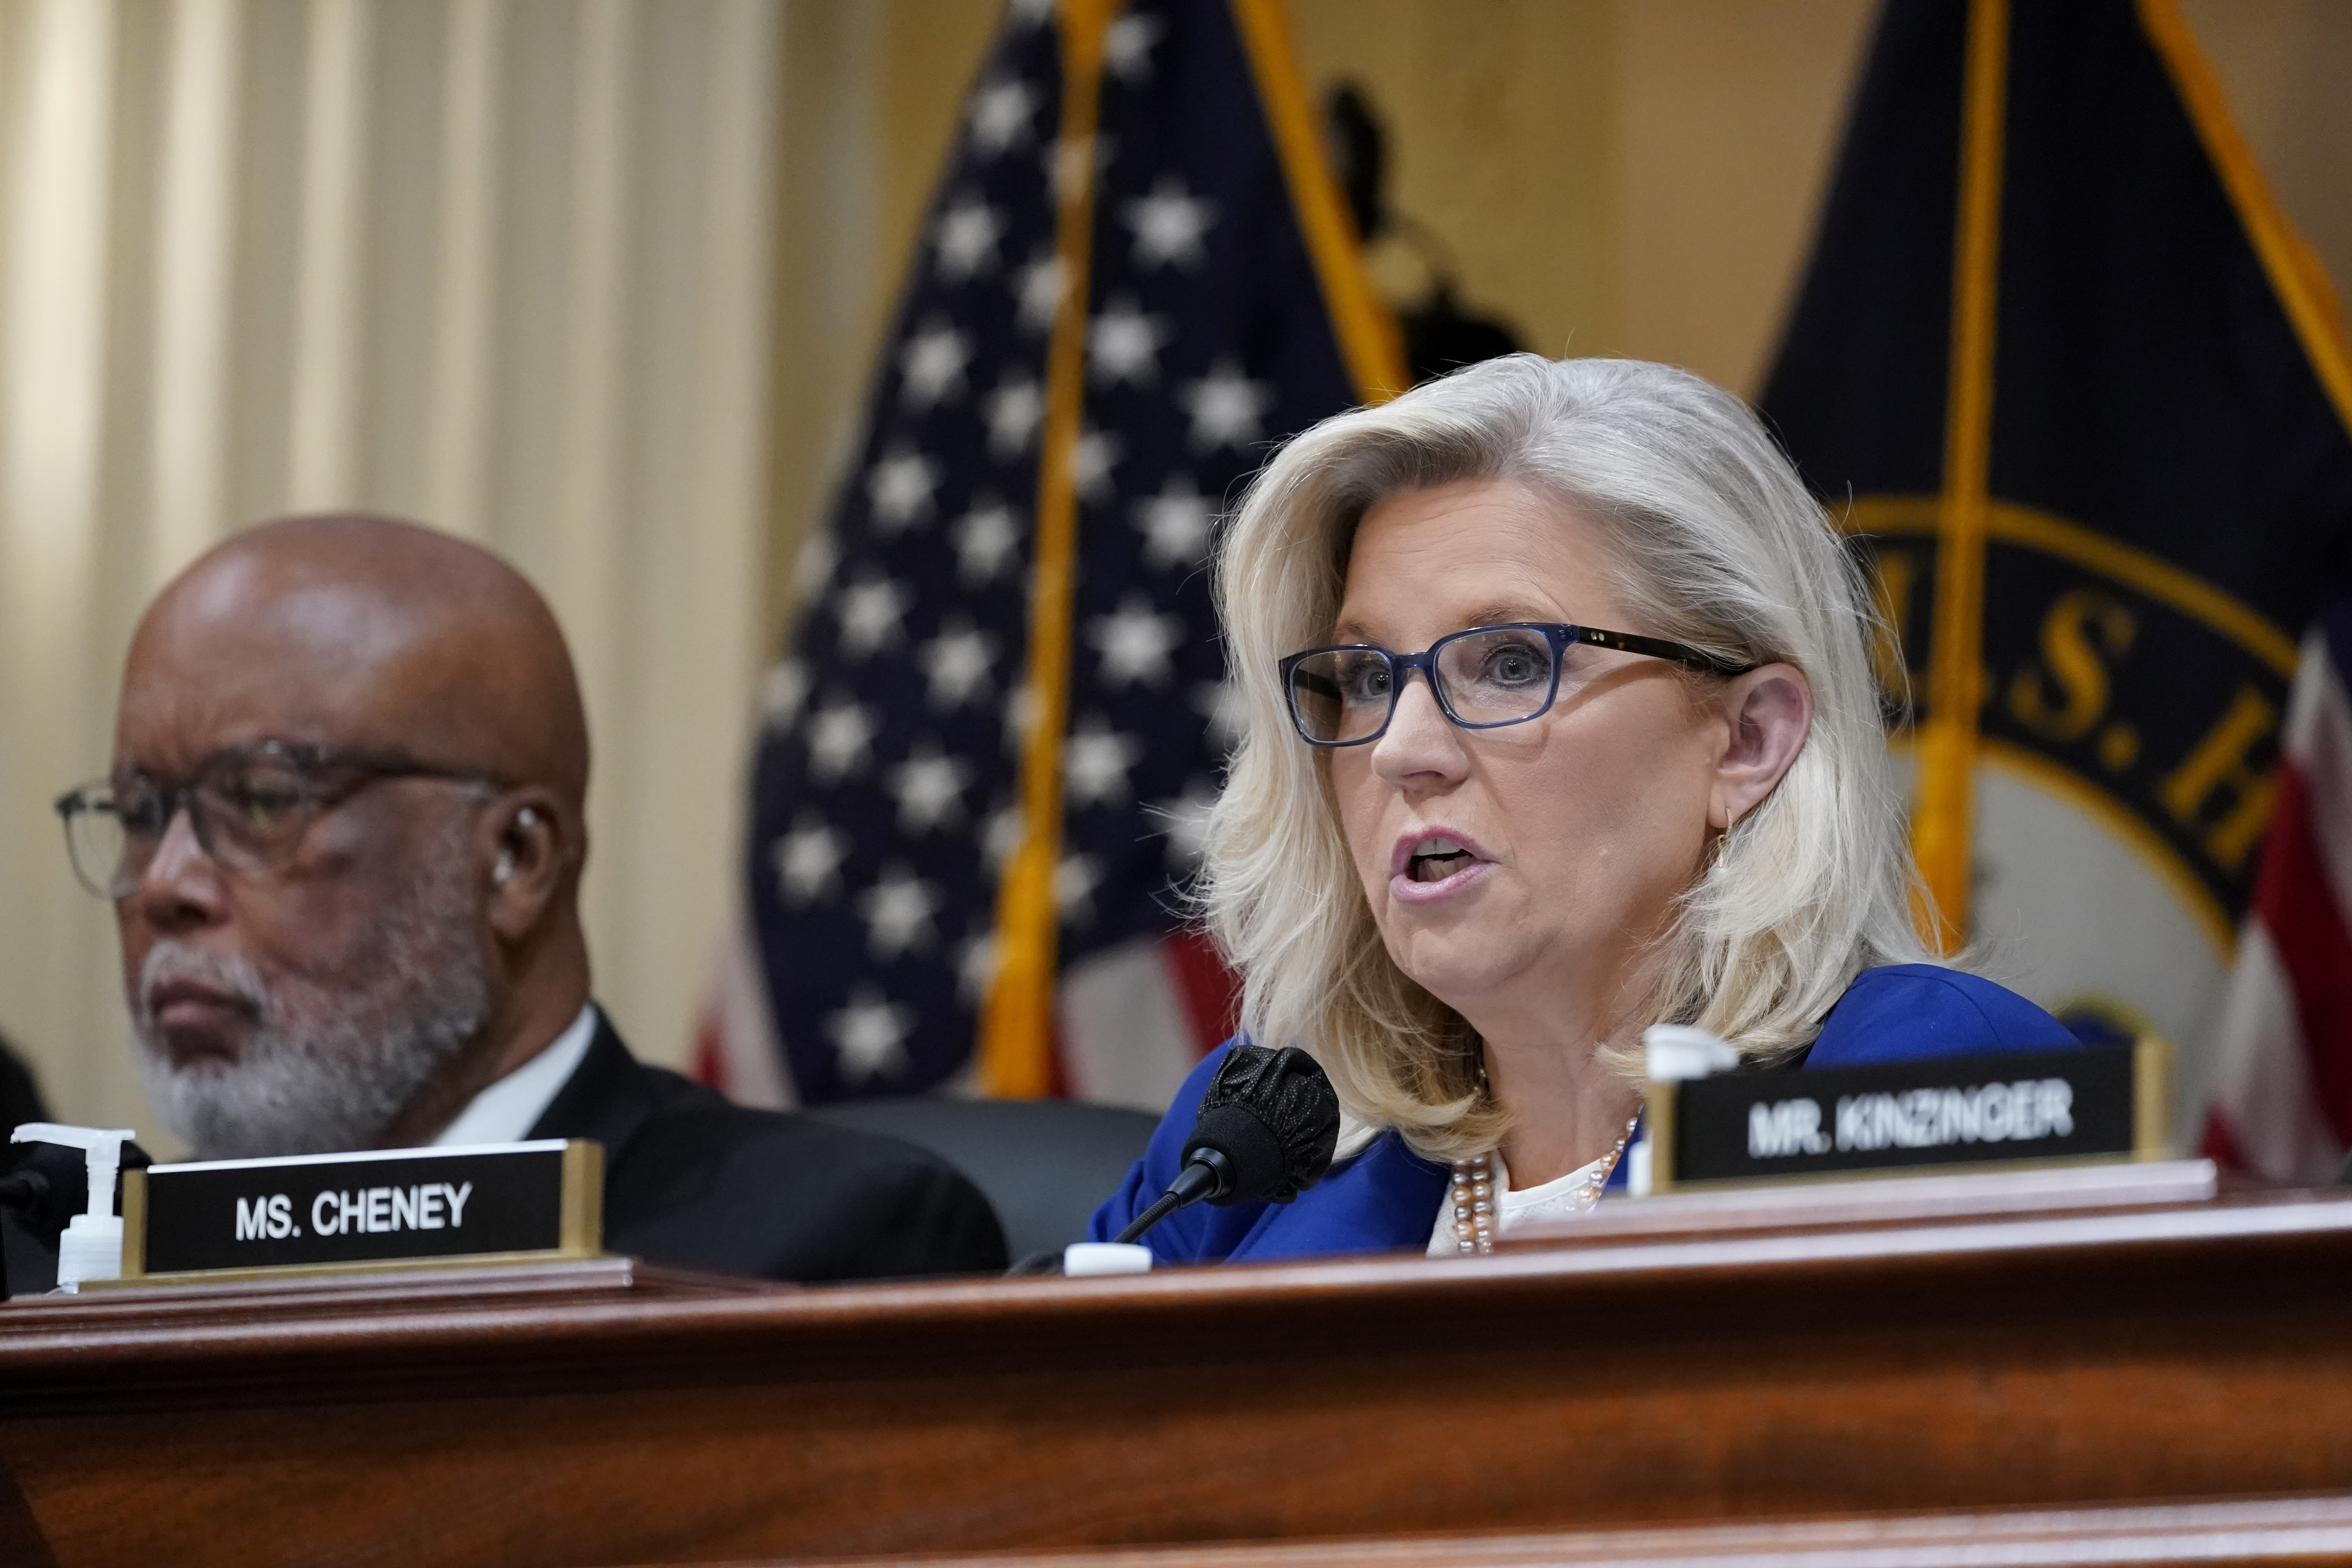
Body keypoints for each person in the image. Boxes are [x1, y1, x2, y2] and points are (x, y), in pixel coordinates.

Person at [1093, 356, 2077, 1265]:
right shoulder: (1253, 1139)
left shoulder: (1919, 1079)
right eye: (1366, 677)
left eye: (1510, 663)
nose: (1400, 750)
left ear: (1748, 740)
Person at [57, 514, 1005, 1284]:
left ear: (516, 860)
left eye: (264, 801)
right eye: (140, 813)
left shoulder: (818, 1246)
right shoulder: (64, 1270)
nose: (166, 883)